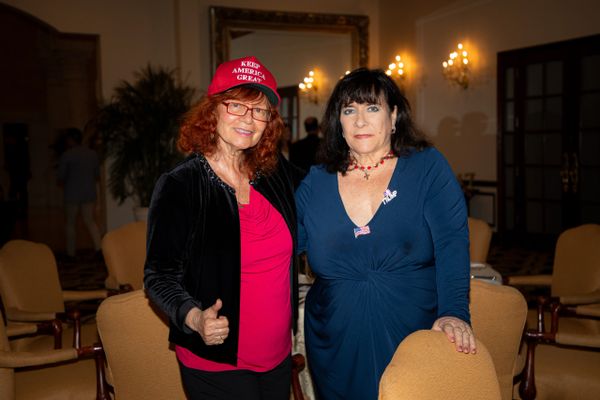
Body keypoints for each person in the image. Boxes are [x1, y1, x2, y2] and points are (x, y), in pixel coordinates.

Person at [295, 68, 476, 400]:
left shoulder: (426, 167)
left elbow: (452, 243)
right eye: (349, 110)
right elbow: (279, 245)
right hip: (335, 340)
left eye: (372, 108)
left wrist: (454, 311)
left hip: (412, 330)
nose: (360, 121)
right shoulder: (317, 181)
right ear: (338, 122)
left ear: (393, 117)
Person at [144, 56, 302, 400]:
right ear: (212, 110)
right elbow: (159, 276)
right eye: (236, 106)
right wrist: (194, 317)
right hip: (217, 360)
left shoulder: (274, 174)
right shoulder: (181, 185)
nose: (248, 118)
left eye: (259, 111)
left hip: (277, 355)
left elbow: (325, 192)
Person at [57, 127, 102, 259]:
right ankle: (99, 248)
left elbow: (61, 177)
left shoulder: (67, 155)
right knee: (90, 221)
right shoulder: (92, 154)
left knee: (70, 223)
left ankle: (71, 253)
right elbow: (97, 175)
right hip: (89, 193)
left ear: (70, 140)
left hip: (72, 194)